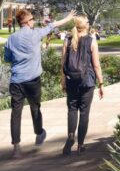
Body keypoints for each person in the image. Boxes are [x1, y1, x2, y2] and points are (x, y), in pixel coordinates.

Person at [4, 9, 76, 158]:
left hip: (17, 81)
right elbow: (54, 25)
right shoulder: (35, 34)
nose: (33, 21)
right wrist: (68, 17)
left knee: (15, 114)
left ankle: (16, 148)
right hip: (32, 80)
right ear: (26, 22)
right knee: (35, 108)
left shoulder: (11, 39)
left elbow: (7, 58)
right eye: (31, 19)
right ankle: (39, 133)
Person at [61, 15, 104, 155]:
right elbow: (96, 65)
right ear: (84, 25)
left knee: (72, 109)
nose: (89, 22)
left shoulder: (67, 40)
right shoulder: (91, 40)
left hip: (71, 80)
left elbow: (63, 63)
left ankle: (70, 136)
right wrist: (101, 83)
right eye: (87, 21)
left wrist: (63, 80)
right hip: (87, 81)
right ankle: (80, 145)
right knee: (84, 112)